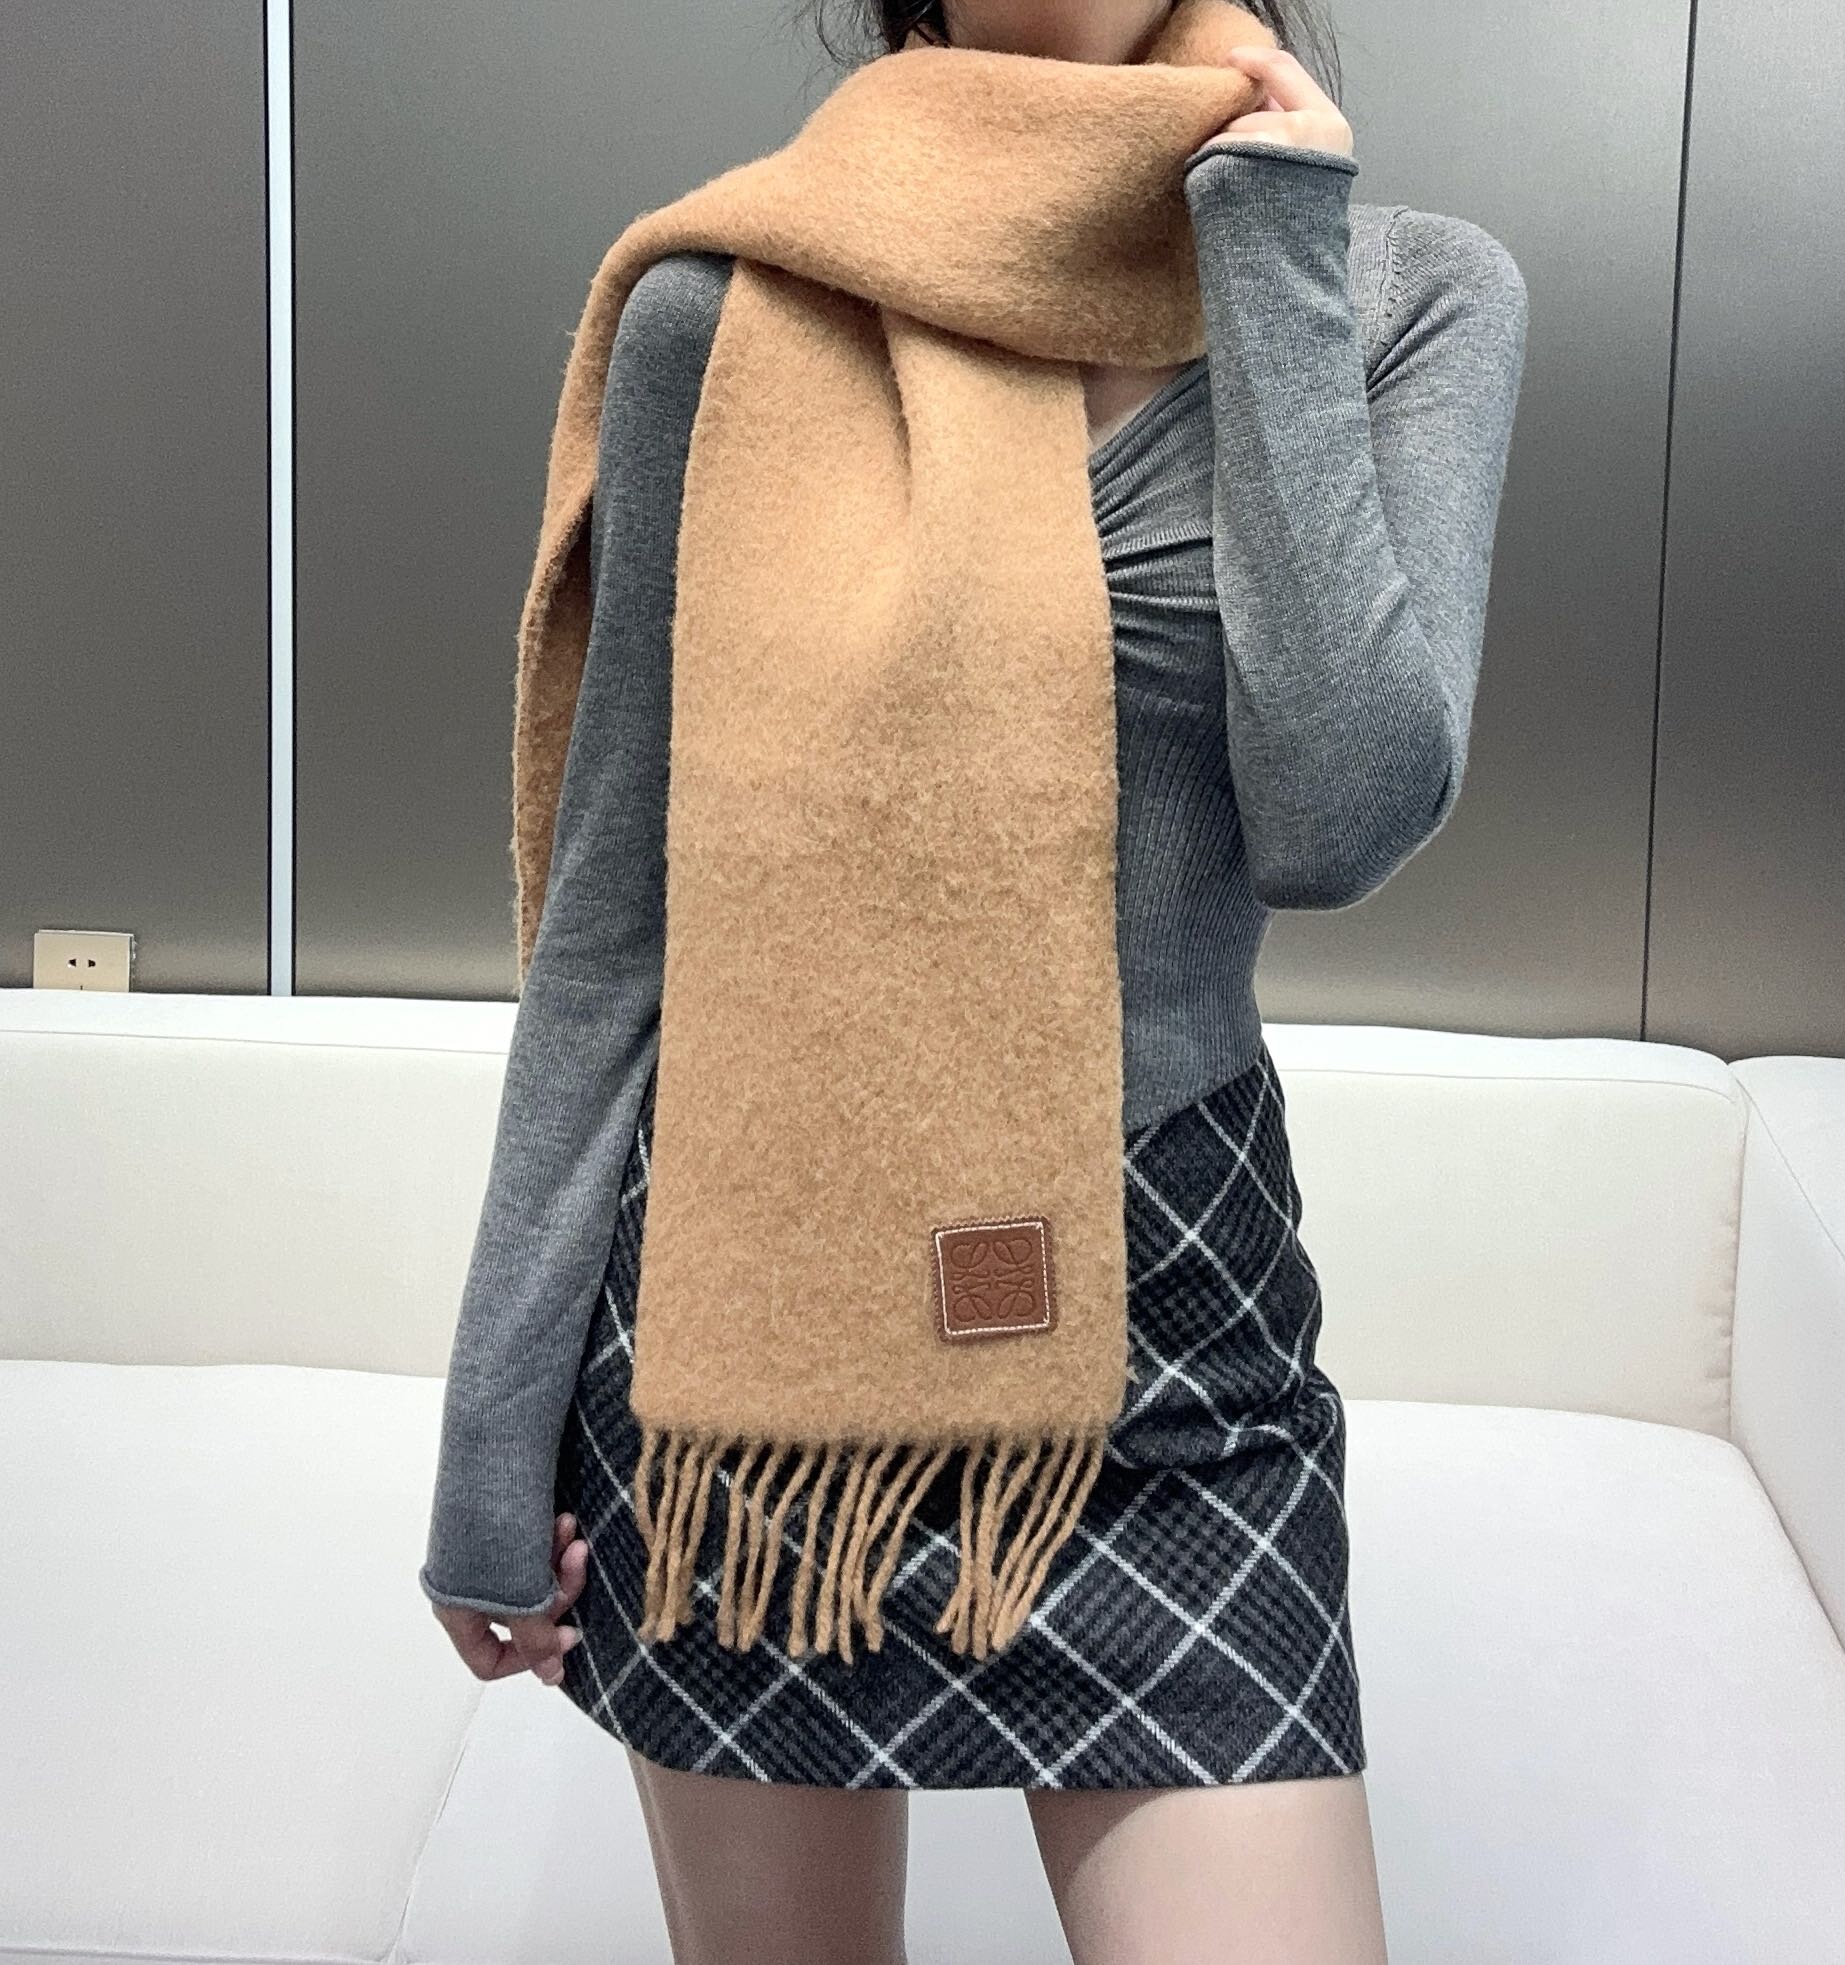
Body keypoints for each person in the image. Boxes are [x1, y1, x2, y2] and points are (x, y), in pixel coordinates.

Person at [420, 1, 1528, 1958]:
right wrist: (489, 1442)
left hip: (1172, 1341)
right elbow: (612, 921)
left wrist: (1263, 247)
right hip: (754, 1360)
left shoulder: (1394, 292)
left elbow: (1336, 816)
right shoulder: (720, 309)